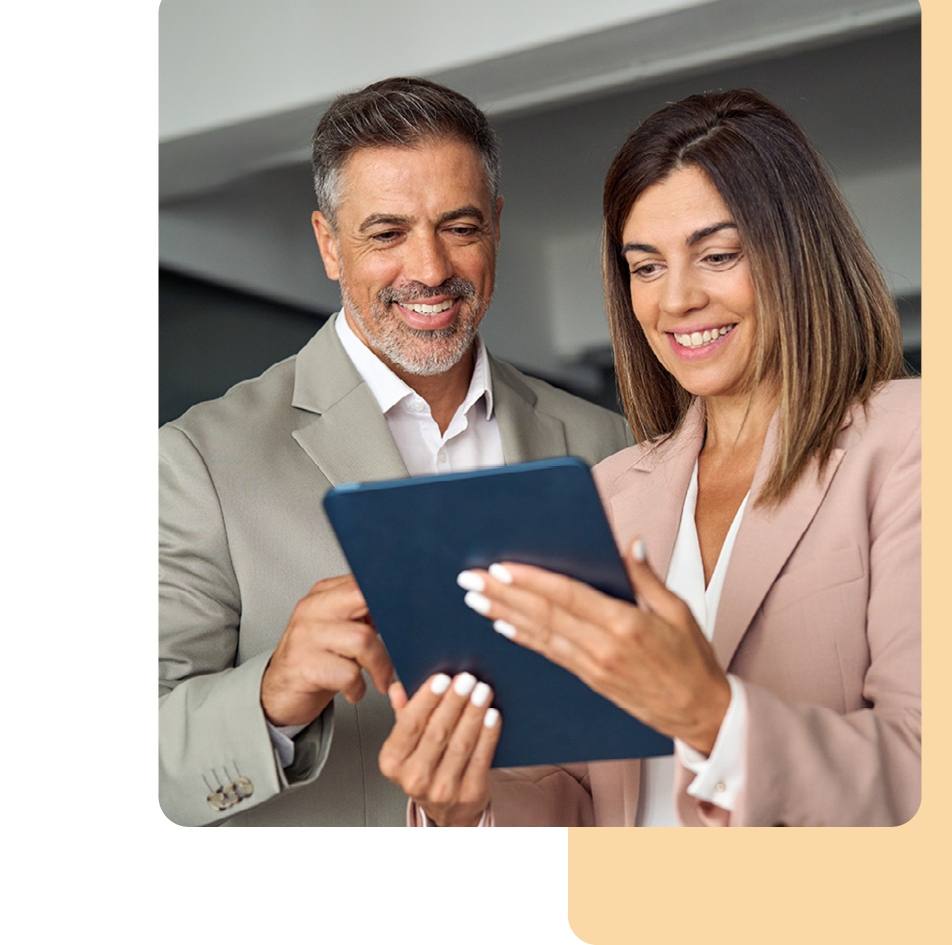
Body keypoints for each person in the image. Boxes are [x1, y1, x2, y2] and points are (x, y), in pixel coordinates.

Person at [380, 88, 920, 827]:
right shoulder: (608, 492)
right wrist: (464, 806)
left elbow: (928, 780)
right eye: (646, 267)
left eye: (718, 255)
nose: (677, 301)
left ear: (799, 252)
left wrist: (711, 716)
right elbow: (572, 790)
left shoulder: (913, 441)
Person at [158, 77, 632, 826]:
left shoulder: (608, 444)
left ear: (498, 227)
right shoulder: (197, 462)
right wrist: (271, 695)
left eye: (461, 228)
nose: (431, 269)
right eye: (386, 234)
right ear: (328, 245)